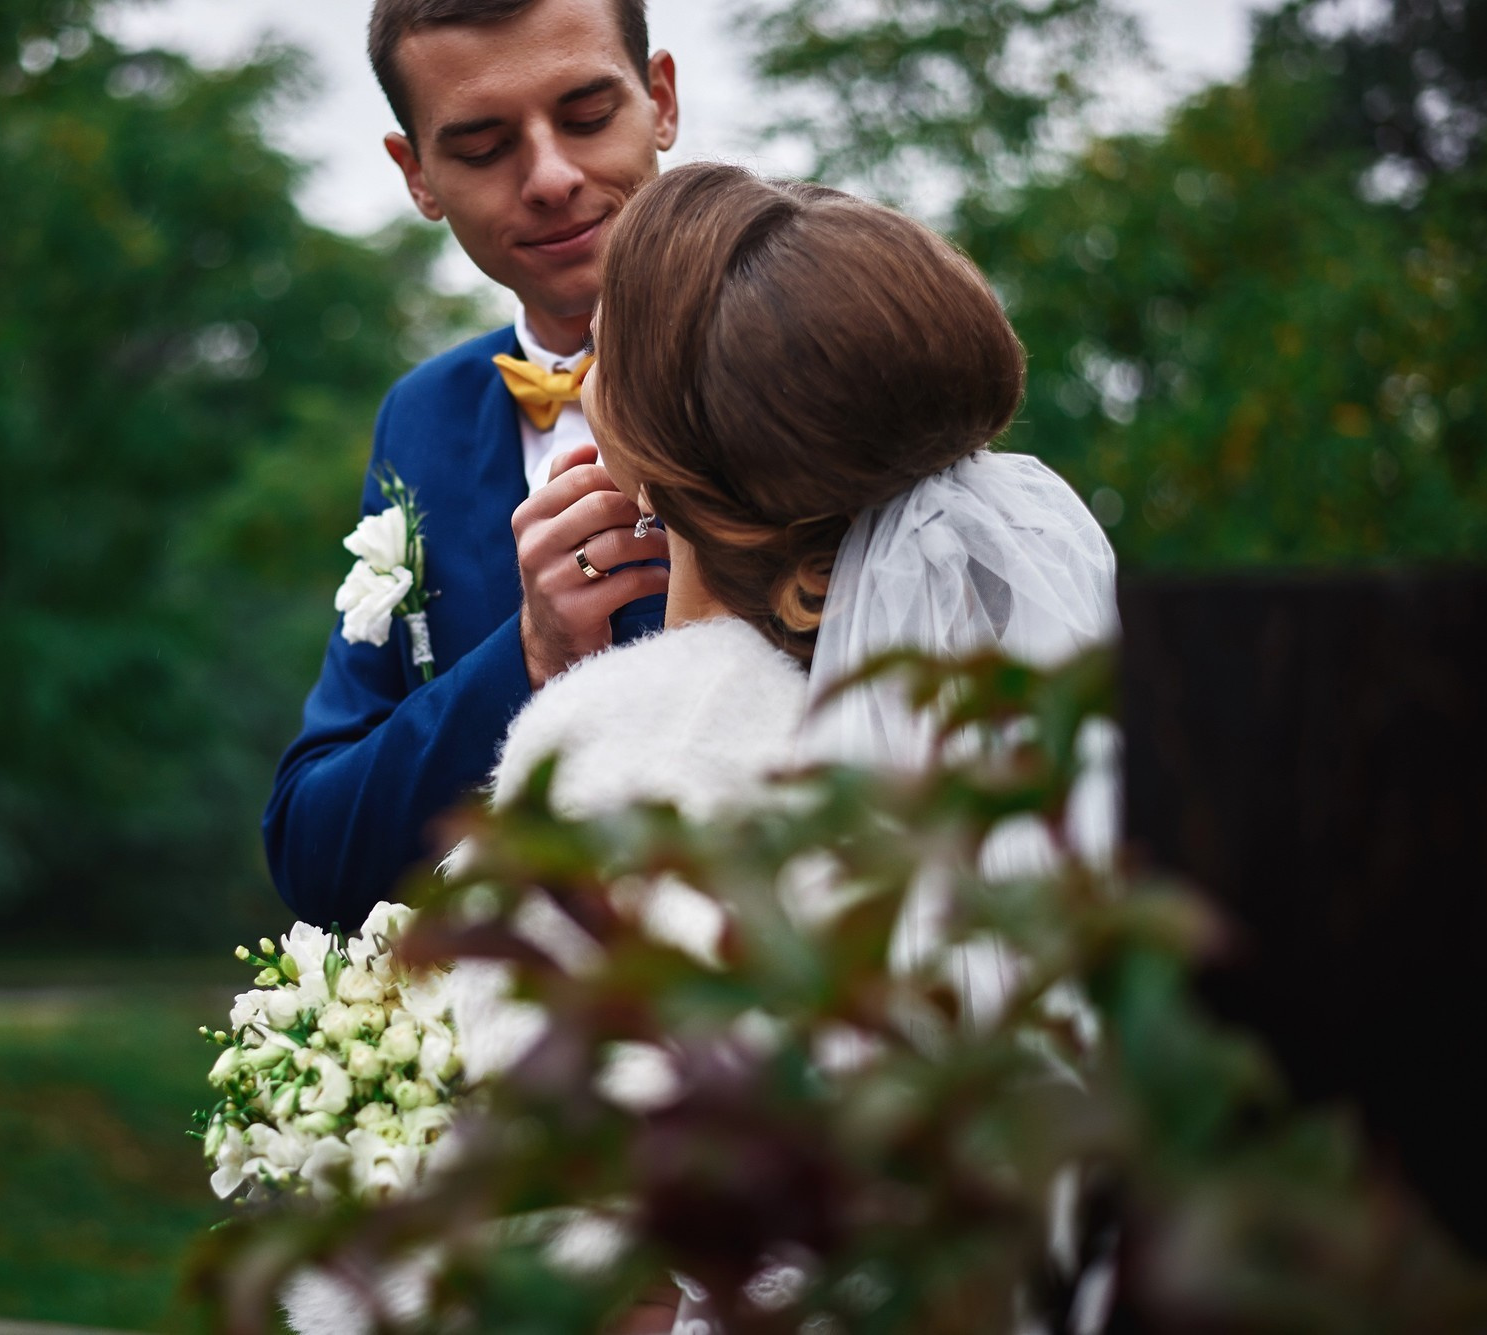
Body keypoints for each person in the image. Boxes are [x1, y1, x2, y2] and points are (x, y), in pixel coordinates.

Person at [476, 160, 1123, 1335]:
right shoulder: (1022, 756)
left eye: (607, 356)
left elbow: (562, 1267)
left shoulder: (622, 749)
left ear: (652, 452)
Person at [263, 0, 682, 931]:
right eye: (485, 147)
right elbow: (313, 849)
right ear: (418, 175)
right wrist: (526, 656)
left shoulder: (820, 356)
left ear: (660, 99)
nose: (550, 177)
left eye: (585, 115)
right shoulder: (422, 418)